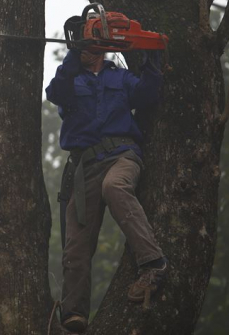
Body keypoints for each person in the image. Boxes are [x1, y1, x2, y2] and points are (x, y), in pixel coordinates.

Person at [46, 47, 168, 333]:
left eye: (92, 45)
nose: (88, 50)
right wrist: (73, 60)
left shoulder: (121, 77)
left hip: (122, 155)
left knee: (115, 187)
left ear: (102, 50)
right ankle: (74, 314)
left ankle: (153, 263)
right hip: (85, 167)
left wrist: (152, 59)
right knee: (76, 242)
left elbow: (148, 95)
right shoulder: (70, 80)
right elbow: (56, 93)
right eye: (82, 45)